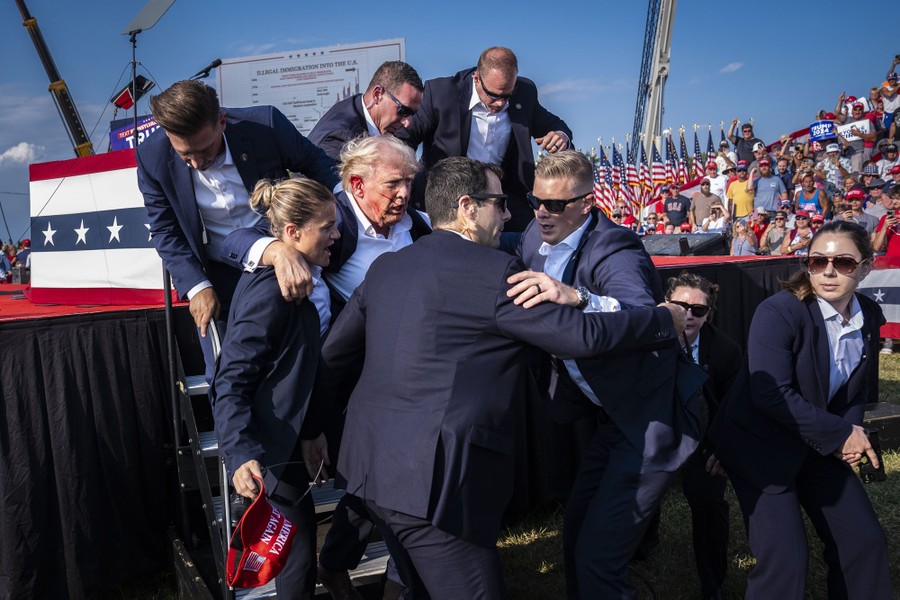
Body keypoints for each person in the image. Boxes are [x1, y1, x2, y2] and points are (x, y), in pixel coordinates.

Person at [316, 156, 686, 599]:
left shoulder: (386, 268)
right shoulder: (497, 275)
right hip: (432, 484)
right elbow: (583, 337)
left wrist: (311, 427)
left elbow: (333, 356)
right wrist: (664, 319)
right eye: (501, 203)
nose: (512, 215)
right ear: (469, 208)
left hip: (368, 469)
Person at [505, 150, 704, 598]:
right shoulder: (533, 240)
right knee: (577, 536)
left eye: (555, 204)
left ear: (586, 204)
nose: (541, 212)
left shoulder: (615, 248)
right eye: (535, 201)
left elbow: (643, 315)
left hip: (650, 419)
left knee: (598, 560)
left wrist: (577, 296)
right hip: (609, 418)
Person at [710, 221, 891, 599]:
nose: (828, 271)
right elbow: (770, 392)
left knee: (865, 542)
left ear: (866, 266)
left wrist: (850, 436)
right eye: (817, 261)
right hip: (759, 445)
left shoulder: (869, 315)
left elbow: (854, 391)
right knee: (786, 562)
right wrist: (841, 433)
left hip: (819, 443)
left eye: (843, 262)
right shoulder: (779, 311)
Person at [136, 80, 338, 381]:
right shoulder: (150, 157)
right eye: (185, 155)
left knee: (300, 362)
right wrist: (197, 287)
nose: (197, 163)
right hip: (219, 276)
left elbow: (319, 166)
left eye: (205, 151)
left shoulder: (266, 125)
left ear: (222, 122)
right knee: (225, 375)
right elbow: (165, 231)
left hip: (289, 259)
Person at [212, 178, 339, 599]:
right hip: (271, 453)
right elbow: (230, 379)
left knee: (300, 563)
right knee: (297, 567)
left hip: (293, 439)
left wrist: (310, 431)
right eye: (327, 227)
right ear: (292, 234)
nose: (337, 235)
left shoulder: (309, 275)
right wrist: (241, 452)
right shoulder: (272, 291)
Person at [396, 46, 572, 231]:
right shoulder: (441, 93)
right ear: (477, 78)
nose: (501, 103)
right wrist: (404, 181)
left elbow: (555, 125)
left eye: (507, 96)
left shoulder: (525, 93)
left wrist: (561, 136)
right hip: (449, 194)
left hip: (501, 194)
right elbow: (405, 139)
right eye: (494, 95)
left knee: (532, 236)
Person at [663, 272, 741, 600]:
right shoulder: (644, 337)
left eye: (699, 310)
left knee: (709, 503)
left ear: (710, 314)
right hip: (654, 432)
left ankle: (713, 584)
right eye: (680, 307)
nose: (689, 315)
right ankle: (640, 546)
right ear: (665, 304)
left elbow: (733, 408)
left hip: (704, 437)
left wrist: (722, 450)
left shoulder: (725, 351)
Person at [308, 61, 424, 160]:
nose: (407, 123)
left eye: (413, 114)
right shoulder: (339, 140)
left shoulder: (359, 107)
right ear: (377, 94)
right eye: (403, 111)